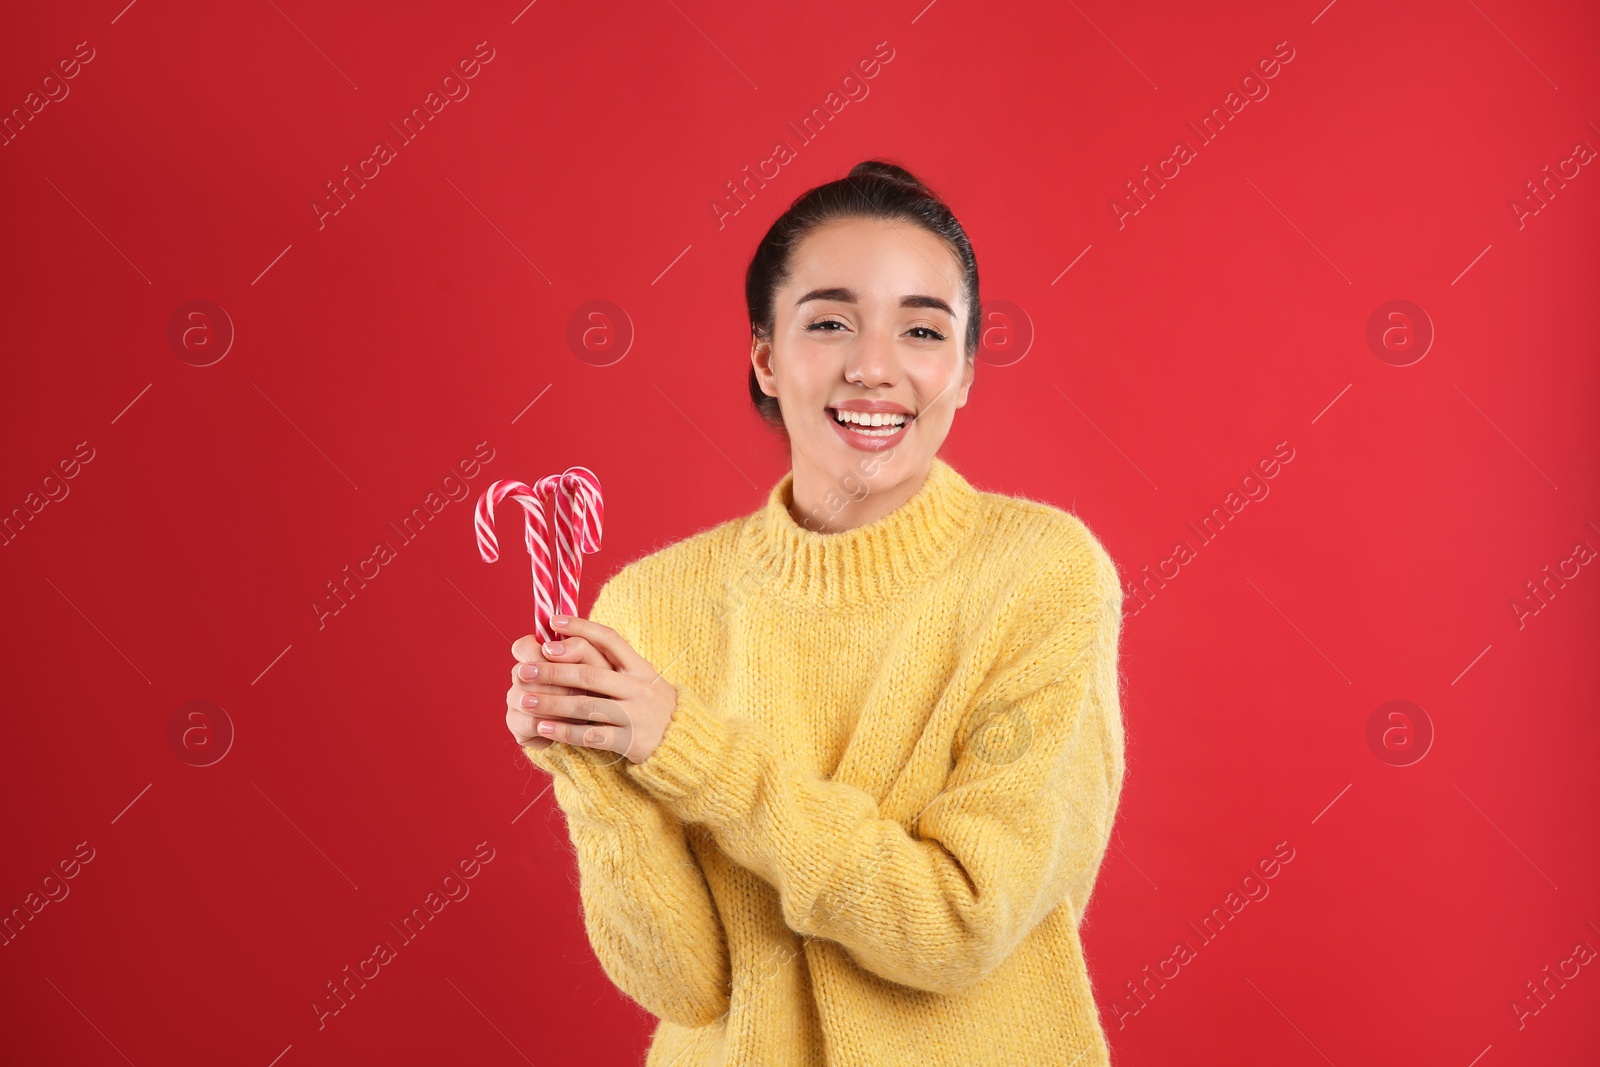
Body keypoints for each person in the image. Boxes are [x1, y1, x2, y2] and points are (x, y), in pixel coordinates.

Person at [503, 159, 1126, 1066]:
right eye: (830, 322)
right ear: (765, 355)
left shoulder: (1040, 576)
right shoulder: (649, 604)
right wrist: (591, 766)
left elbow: (957, 923)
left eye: (922, 329)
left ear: (962, 371)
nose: (874, 367)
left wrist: (682, 747)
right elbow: (686, 986)